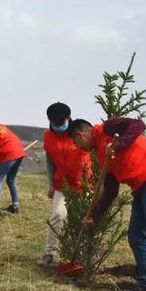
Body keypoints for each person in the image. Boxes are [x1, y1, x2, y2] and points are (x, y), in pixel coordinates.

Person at [69, 117, 146, 291]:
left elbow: (138, 125)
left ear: (81, 134)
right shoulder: (101, 156)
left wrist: (118, 144)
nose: (78, 147)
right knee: (136, 237)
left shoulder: (107, 128)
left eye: (76, 142)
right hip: (141, 186)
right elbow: (111, 191)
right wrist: (93, 217)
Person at [37, 103, 92, 267]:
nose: (59, 127)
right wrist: (51, 184)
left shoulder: (79, 133)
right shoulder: (48, 137)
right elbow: (50, 162)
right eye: (55, 124)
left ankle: (82, 256)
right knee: (58, 215)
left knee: (84, 220)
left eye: (61, 123)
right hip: (62, 184)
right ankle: (49, 253)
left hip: (85, 184)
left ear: (68, 118)